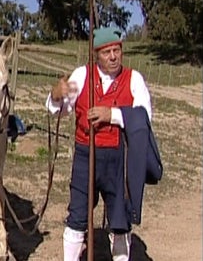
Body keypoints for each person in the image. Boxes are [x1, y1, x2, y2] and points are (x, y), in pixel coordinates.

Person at [46, 27, 158, 261]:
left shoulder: (133, 79)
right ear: (97, 54)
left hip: (119, 158)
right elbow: (60, 107)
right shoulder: (82, 75)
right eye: (107, 52)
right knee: (77, 215)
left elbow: (143, 117)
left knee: (120, 220)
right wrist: (57, 94)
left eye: (117, 50)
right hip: (86, 156)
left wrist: (112, 115)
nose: (113, 56)